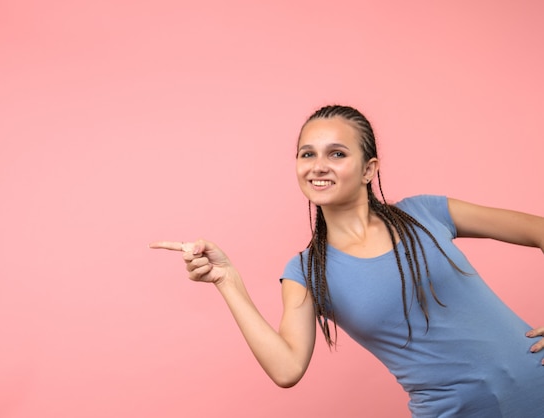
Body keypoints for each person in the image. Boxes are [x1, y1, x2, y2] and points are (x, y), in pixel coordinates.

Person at [149, 104, 544, 417]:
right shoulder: (306, 272)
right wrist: (227, 280)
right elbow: (286, 369)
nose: (318, 165)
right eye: (308, 154)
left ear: (369, 169)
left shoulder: (428, 213)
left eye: (336, 153)